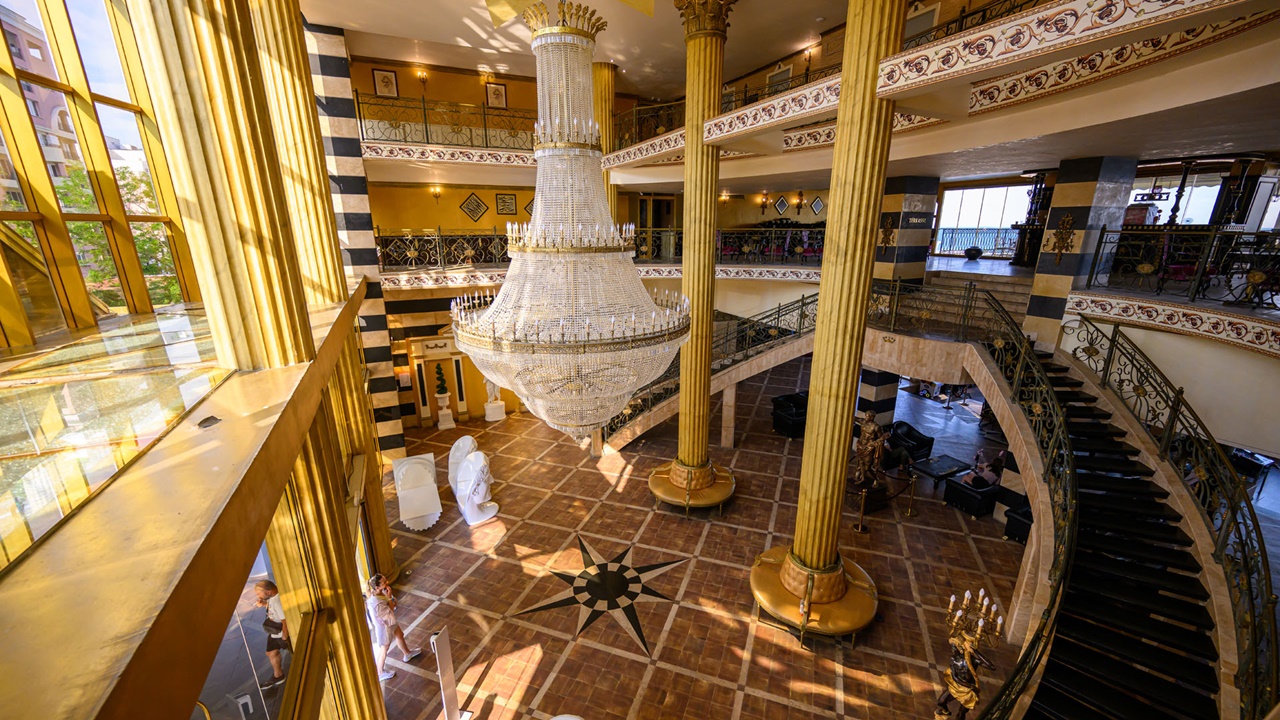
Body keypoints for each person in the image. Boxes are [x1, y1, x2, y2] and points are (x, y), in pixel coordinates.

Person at [366, 574, 422, 682]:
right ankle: (380, 672)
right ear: (377, 587)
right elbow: (391, 609)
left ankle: (407, 654)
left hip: (390, 622)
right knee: (384, 649)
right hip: (384, 627)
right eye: (384, 582)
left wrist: (389, 597)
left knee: (399, 635)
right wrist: (389, 597)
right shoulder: (376, 603)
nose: (387, 583)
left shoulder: (379, 592)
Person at [253, 580, 288, 690]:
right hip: (275, 632)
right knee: (270, 653)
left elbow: (285, 621)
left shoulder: (278, 602)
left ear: (268, 592)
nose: (258, 596)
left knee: (272, 653)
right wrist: (264, 604)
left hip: (279, 632)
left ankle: (279, 676)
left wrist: (284, 637)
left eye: (259, 594)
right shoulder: (272, 598)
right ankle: (278, 675)